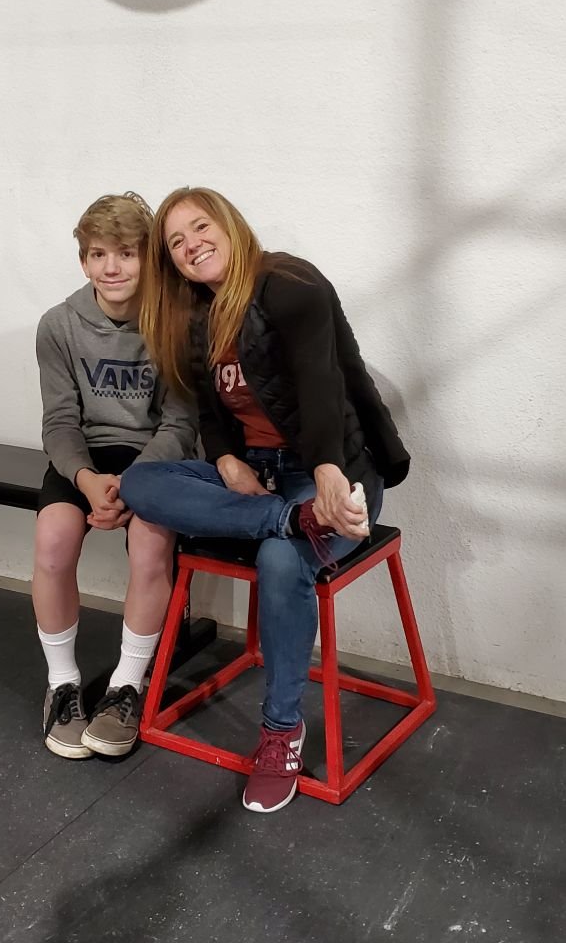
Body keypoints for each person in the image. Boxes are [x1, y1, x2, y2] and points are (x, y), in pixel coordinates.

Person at [120, 187, 410, 813]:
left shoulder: (290, 284)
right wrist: (226, 458)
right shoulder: (195, 316)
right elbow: (211, 411)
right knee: (140, 484)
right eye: (177, 241)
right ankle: (288, 521)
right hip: (262, 482)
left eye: (201, 227)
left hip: (333, 472)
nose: (192, 245)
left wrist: (327, 469)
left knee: (281, 560)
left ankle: (281, 732)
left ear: (229, 225)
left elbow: (321, 380)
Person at [33, 192, 196, 761]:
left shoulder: (174, 322)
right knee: (53, 542)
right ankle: (61, 683)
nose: (112, 267)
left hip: (151, 456)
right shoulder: (57, 325)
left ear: (148, 259)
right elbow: (59, 422)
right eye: (99, 254)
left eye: (126, 253)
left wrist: (133, 482)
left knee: (151, 546)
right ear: (84, 261)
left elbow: (180, 423)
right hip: (84, 458)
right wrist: (85, 481)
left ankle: (127, 685)